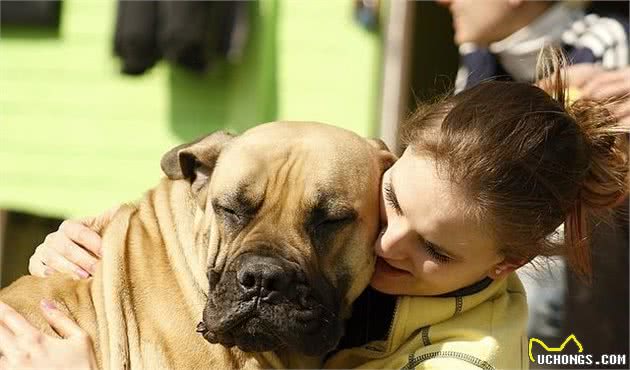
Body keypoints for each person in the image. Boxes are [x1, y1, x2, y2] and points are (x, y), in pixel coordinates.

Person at [1, 49, 628, 369]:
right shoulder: (174, 221)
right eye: (390, 207)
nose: (389, 245)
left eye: (326, 223)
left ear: (503, 265)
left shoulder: (466, 352)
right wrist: (66, 246)